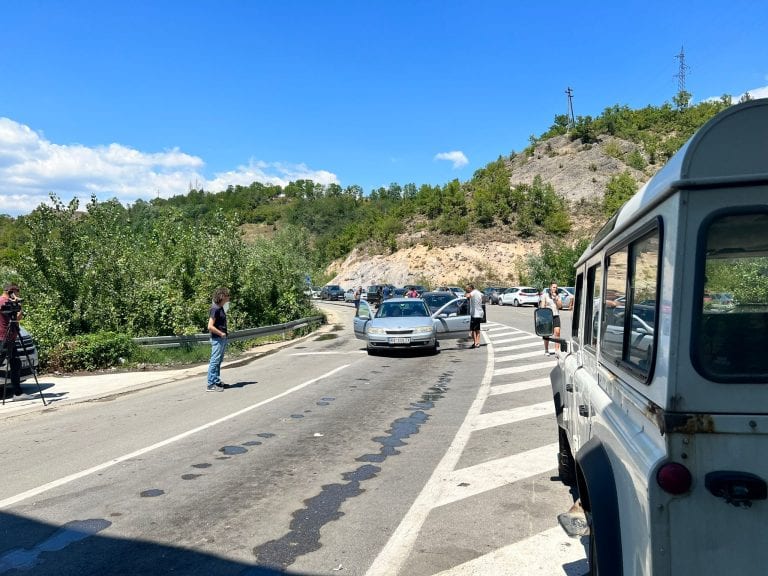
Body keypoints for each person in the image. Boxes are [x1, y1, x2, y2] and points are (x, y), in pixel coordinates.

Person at [0, 283, 30, 401]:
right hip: (3, 338)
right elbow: (17, 317)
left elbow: (17, 317)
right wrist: (16, 304)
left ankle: (17, 393)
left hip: (11, 338)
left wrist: (17, 304)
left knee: (16, 363)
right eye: (17, 293)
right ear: (11, 292)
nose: (18, 295)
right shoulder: (2, 301)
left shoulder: (8, 302)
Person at [206, 286, 230, 392]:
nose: (228, 297)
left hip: (221, 338)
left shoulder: (220, 308)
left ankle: (216, 381)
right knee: (214, 361)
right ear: (222, 296)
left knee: (218, 361)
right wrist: (221, 333)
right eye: (227, 295)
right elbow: (210, 326)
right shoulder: (215, 308)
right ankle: (211, 384)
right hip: (217, 338)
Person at [541, 282, 563, 355]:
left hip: (556, 315)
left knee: (557, 332)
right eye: (554, 287)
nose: (555, 288)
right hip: (548, 316)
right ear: (550, 287)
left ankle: (557, 350)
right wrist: (544, 306)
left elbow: (560, 306)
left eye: (556, 287)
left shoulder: (558, 296)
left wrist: (556, 299)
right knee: (547, 333)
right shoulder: (545, 295)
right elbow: (542, 306)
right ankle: (546, 350)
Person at [465, 284, 484, 349]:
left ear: (470, 288)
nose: (467, 290)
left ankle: (476, 343)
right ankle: (477, 343)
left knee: (473, 330)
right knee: (477, 329)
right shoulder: (478, 292)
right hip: (479, 313)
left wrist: (465, 294)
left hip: (475, 314)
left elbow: (468, 295)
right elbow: (483, 297)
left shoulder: (473, 292)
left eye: (467, 289)